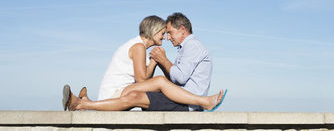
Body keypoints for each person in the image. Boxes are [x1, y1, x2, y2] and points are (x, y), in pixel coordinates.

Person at [63, 13, 227, 111]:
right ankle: (85, 104)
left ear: (182, 30)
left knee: (152, 85)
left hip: (184, 102)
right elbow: (154, 80)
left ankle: (84, 104)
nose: (166, 37)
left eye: (169, 33)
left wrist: (161, 61)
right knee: (153, 85)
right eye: (164, 33)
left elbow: (178, 79)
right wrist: (159, 62)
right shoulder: (140, 47)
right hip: (127, 91)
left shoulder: (192, 46)